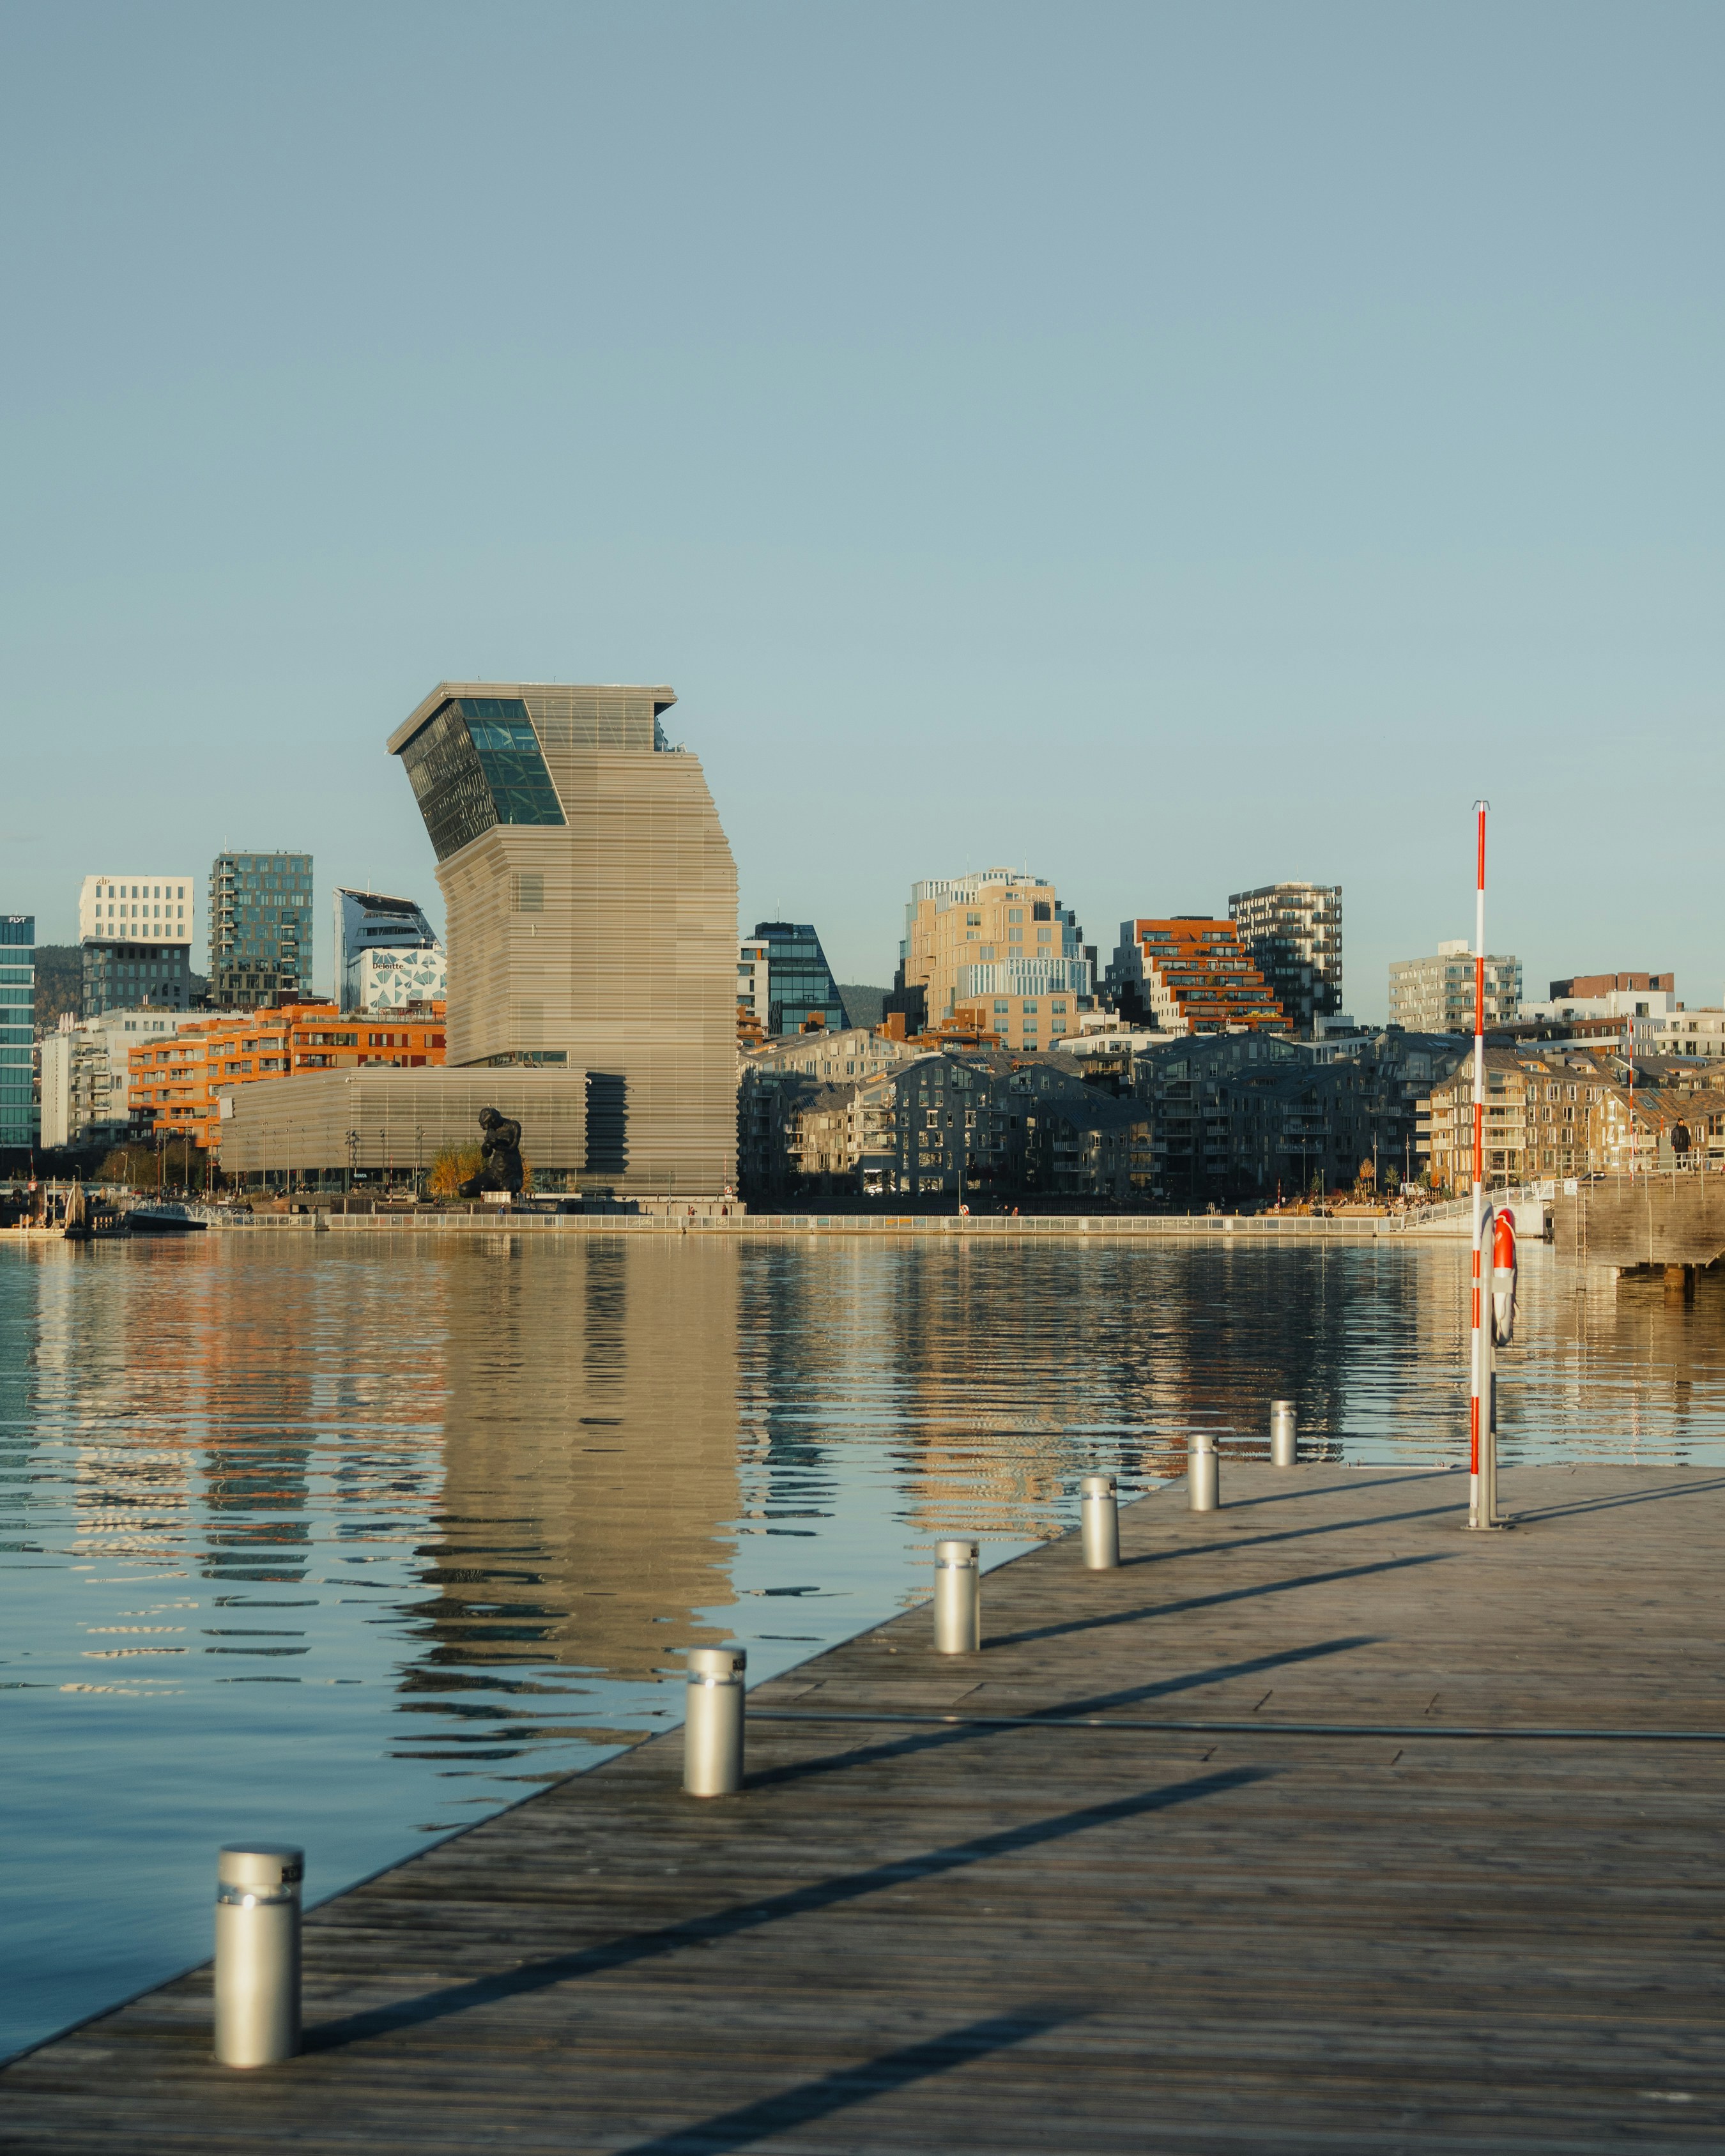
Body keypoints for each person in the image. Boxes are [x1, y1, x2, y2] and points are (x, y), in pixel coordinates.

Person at [457, 1108, 525, 1198]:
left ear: (494, 1120)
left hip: (512, 1172)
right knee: (464, 1189)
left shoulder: (514, 1126)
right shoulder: (491, 1131)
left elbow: (513, 1147)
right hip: (494, 1172)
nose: (489, 1128)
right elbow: (486, 1155)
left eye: (489, 1125)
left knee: (507, 1189)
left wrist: (498, 1144)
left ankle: (495, 1188)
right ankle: (490, 1187)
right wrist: (486, 1146)